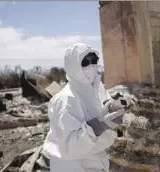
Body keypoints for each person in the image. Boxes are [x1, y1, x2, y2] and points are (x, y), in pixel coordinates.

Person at [43, 43, 125, 172]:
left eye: (94, 60)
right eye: (86, 62)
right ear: (73, 65)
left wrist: (115, 109)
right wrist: (97, 127)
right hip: (73, 166)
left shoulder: (97, 90)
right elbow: (70, 147)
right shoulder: (65, 100)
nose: (92, 65)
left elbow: (105, 113)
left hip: (96, 161)